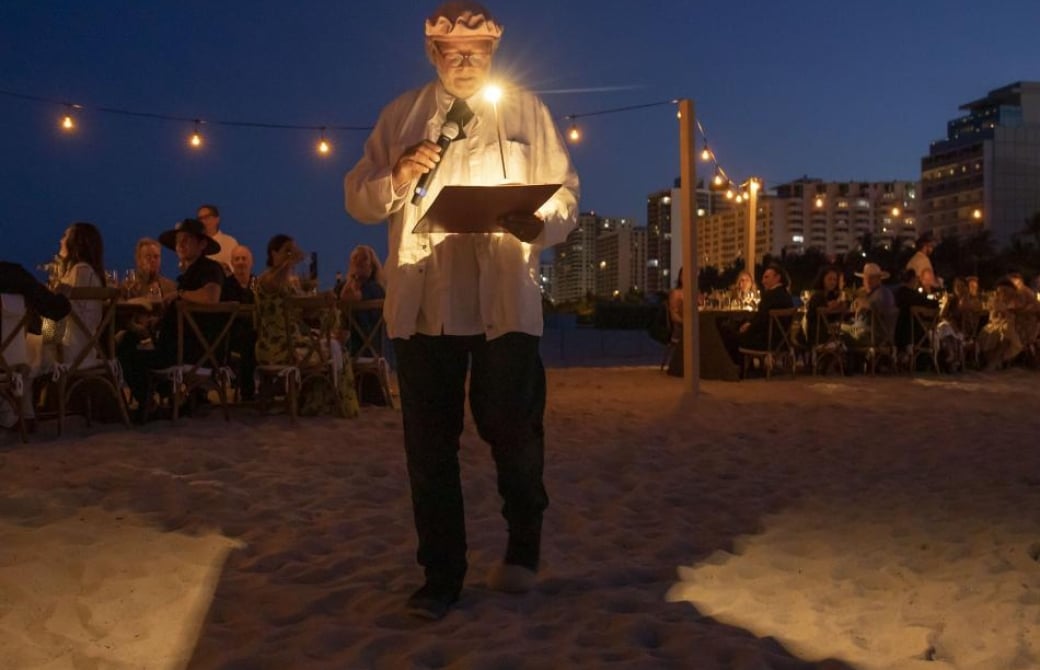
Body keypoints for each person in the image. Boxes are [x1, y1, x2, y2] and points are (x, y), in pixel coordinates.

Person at [344, 1, 579, 620]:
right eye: (456, 52)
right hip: (425, 304)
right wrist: (395, 175)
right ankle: (441, 575)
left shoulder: (528, 110)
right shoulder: (401, 115)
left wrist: (540, 222)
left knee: (513, 431)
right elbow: (359, 198)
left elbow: (567, 195)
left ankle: (524, 545)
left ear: (494, 53)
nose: (468, 61)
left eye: (479, 51)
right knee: (429, 445)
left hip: (505, 299)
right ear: (434, 55)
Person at [120, 218, 225, 420]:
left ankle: (148, 404)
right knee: (128, 340)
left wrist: (179, 295)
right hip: (178, 346)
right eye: (178, 241)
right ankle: (163, 399)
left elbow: (211, 297)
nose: (180, 245)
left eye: (187, 240)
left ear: (202, 244)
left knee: (126, 350)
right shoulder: (186, 275)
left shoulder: (209, 269)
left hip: (192, 352)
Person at [254, 234, 358, 416]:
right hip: (276, 347)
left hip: (294, 342)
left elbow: (304, 308)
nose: (291, 255)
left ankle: (317, 404)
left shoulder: (289, 283)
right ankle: (331, 405)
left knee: (334, 346)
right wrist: (289, 262)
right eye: (286, 251)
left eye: (293, 250)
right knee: (335, 351)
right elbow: (275, 284)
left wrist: (324, 298)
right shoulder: (266, 279)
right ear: (273, 253)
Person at [0, 261, 71, 430]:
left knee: (37, 338)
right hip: (10, 356)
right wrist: (63, 296)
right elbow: (55, 310)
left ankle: (13, 411)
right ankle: (22, 410)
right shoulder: (14, 275)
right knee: (37, 339)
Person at [197, 204, 239, 274]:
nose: (203, 222)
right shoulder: (196, 245)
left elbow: (237, 268)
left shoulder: (230, 242)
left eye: (206, 217)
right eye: (200, 219)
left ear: (217, 219)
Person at [665, 267, 684, 377]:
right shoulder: (676, 293)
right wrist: (686, 323)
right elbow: (673, 315)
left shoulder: (696, 292)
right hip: (680, 328)